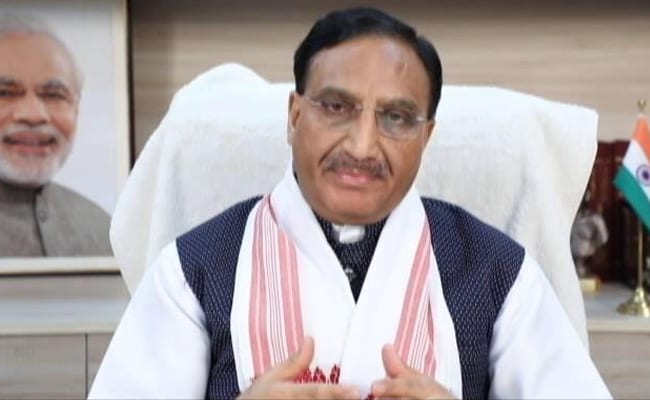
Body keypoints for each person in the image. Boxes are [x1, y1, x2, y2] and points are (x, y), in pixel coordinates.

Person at [89, 7, 610, 400]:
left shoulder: (497, 273)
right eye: (337, 107)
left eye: (396, 118)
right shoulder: (196, 271)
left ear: (426, 137)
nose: (362, 147)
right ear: (295, 116)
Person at [0, 14, 111, 257]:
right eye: (5, 93)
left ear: (76, 109)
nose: (33, 115)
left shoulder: (102, 230)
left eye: (53, 95)